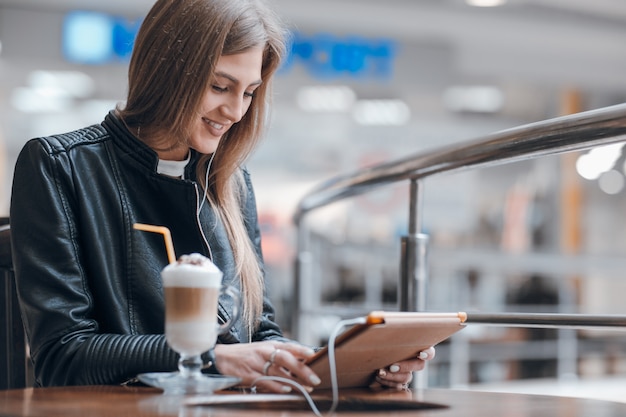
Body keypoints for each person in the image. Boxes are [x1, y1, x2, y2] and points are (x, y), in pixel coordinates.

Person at [10, 0, 433, 393]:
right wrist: (213, 359)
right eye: (219, 86)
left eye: (249, 92)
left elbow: (260, 334)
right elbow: (61, 357)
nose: (234, 111)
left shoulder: (233, 183)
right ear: (166, 72)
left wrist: (352, 367)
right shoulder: (59, 166)